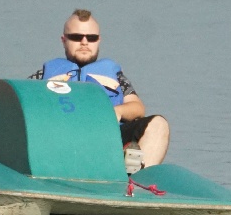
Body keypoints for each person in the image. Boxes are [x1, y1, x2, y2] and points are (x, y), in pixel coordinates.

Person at [31, 9, 170, 167]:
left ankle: (136, 182)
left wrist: (118, 111)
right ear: (64, 40)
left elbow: (137, 107)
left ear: (99, 40)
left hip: (108, 139)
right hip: (60, 139)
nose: (84, 42)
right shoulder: (43, 75)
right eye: (77, 37)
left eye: (91, 38)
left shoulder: (115, 77)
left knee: (158, 124)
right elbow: (18, 101)